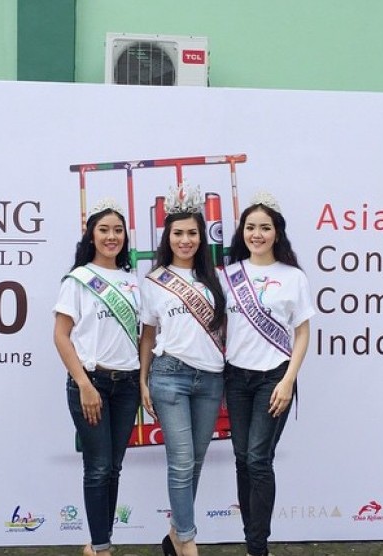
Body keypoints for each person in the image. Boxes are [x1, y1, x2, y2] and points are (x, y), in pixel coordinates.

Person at [222, 192, 314, 556]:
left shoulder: (293, 277)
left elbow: (303, 331)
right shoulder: (228, 275)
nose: (257, 234)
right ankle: (251, 539)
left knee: (259, 459)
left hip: (273, 378)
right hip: (236, 378)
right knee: (242, 459)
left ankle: (258, 547)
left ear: (277, 232)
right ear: (242, 232)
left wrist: (288, 380)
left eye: (265, 227)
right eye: (250, 227)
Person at [139, 182, 227, 556]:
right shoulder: (154, 281)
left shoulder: (217, 279)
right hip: (170, 374)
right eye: (178, 233)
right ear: (167, 237)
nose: (185, 240)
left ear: (201, 237)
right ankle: (188, 542)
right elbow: (147, 335)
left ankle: (175, 536)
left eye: (192, 233)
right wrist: (143, 380)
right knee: (179, 461)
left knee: (195, 459)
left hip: (210, 378)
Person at [53, 198, 141, 556]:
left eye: (118, 230)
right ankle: (102, 548)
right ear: (91, 235)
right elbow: (61, 336)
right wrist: (86, 385)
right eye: (104, 230)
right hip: (91, 383)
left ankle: (98, 544)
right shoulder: (77, 280)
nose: (111, 236)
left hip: (127, 384)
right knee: (97, 467)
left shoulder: (132, 281)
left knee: (114, 468)